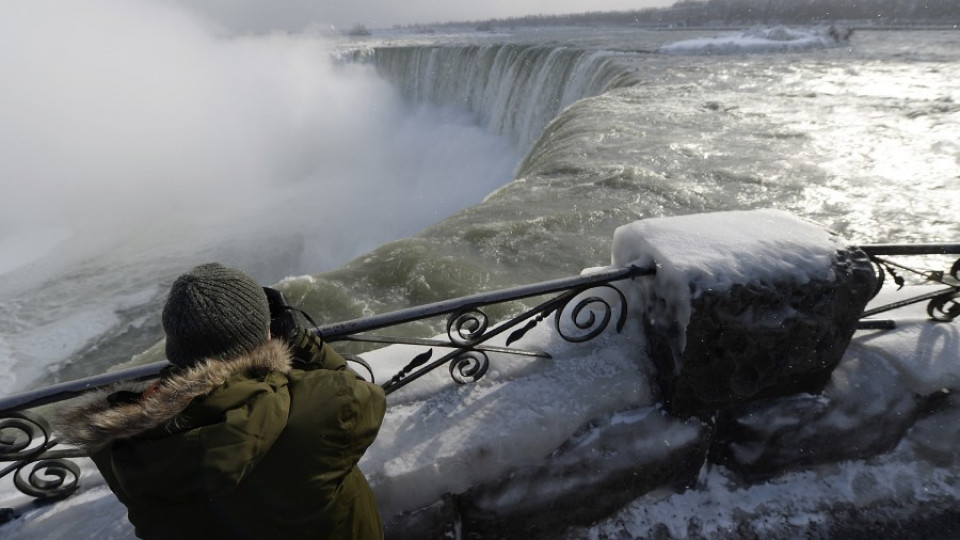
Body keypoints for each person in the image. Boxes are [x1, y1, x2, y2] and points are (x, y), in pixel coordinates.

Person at [57, 263, 386, 539]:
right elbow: (361, 394)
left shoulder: (122, 444)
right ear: (265, 334)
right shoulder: (323, 406)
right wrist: (302, 343)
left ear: (177, 348)